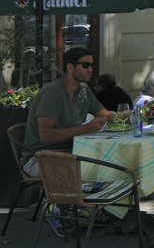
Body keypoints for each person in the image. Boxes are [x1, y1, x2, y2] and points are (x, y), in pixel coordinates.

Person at [21, 47, 111, 176]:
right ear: (70, 67)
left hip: (71, 152)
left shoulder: (83, 90)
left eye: (92, 65)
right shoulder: (52, 93)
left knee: (108, 165)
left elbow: (107, 115)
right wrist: (86, 128)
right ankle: (75, 196)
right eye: (86, 65)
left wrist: (129, 117)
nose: (91, 69)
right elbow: (45, 135)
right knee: (89, 171)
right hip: (40, 157)